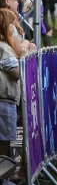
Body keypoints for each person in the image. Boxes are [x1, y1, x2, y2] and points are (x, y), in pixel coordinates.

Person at [0, 10, 20, 160]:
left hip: (4, 100)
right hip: (4, 101)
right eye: (13, 23)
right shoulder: (5, 49)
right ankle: (4, 178)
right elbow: (16, 73)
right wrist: (24, 60)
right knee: (5, 141)